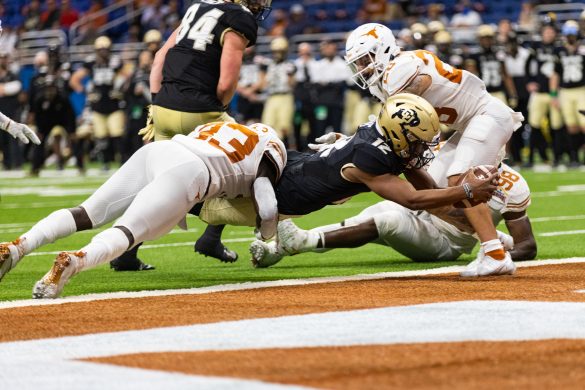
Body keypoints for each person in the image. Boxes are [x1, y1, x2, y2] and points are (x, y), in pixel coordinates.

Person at [192, 94, 500, 271]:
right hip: (283, 194)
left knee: (205, 186)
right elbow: (414, 201)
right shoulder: (373, 158)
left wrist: (468, 207)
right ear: (398, 134)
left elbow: (430, 192)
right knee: (195, 200)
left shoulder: (384, 136)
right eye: (418, 142)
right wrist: (468, 189)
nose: (423, 149)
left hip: (294, 166)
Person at [0, 121, 287, 298]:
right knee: (127, 232)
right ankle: (74, 260)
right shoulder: (272, 145)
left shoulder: (223, 127)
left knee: (86, 213)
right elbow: (268, 201)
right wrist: (267, 234)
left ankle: (17, 247)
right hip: (192, 172)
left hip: (159, 151)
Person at [344, 23, 523, 276]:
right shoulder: (384, 81)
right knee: (432, 192)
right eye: (358, 63)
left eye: (366, 60)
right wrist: (348, 140)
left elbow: (415, 91)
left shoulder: (401, 66)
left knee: (460, 178)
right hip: (469, 124)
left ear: (383, 49)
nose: (362, 68)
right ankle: (491, 236)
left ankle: (494, 254)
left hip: (488, 115)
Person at [132, 0, 272, 266]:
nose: (259, 4)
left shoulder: (196, 8)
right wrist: (216, 108)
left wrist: (156, 103)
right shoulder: (239, 18)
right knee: (248, 168)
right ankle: (211, 236)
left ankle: (126, 252)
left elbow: (160, 57)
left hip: (162, 107)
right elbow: (227, 83)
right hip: (199, 110)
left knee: (159, 185)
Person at [251, 146, 536, 271]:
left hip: (446, 241)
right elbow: (420, 188)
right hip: (424, 213)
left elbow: (527, 246)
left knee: (388, 220)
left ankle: (303, 241)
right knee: (383, 208)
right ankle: (281, 249)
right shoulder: (452, 159)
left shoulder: (513, 185)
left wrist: (494, 246)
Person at [70, 36, 126, 171]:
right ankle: (105, 163)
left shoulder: (116, 61)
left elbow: (127, 75)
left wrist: (121, 89)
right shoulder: (91, 62)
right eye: (100, 50)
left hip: (114, 105)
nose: (103, 52)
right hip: (98, 106)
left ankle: (122, 162)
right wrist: (86, 92)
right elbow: (74, 80)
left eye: (105, 49)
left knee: (117, 134)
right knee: (101, 136)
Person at [550, 20, 585, 167]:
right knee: (571, 126)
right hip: (565, 91)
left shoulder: (583, 49)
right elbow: (555, 74)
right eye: (568, 34)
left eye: (572, 34)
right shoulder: (559, 51)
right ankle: (575, 157)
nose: (570, 37)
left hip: (581, 89)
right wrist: (553, 95)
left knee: (584, 124)